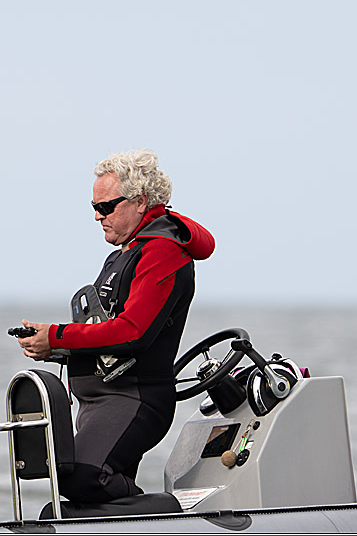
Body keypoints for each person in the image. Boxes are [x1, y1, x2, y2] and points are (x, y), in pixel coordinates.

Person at [17, 149, 215, 503]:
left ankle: (168, 514)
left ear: (140, 202)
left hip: (131, 398)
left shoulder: (162, 250)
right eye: (94, 207)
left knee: (81, 480)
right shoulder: (124, 253)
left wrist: (58, 335)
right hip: (100, 400)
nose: (97, 216)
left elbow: (133, 331)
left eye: (106, 207)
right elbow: (104, 331)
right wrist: (53, 346)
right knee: (84, 487)